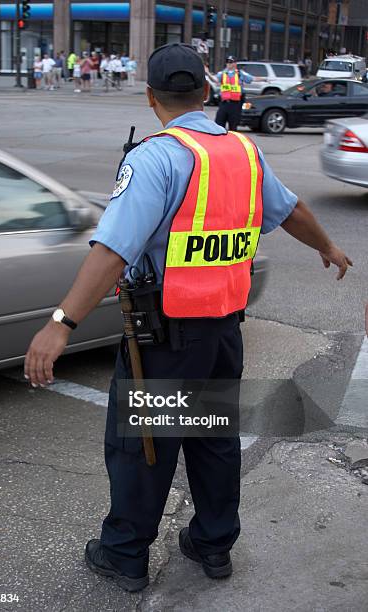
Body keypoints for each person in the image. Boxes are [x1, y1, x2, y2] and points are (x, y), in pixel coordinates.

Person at [24, 43, 352, 593]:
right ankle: (212, 544)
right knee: (212, 440)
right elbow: (291, 210)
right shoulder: (245, 153)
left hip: (164, 338)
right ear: (207, 91)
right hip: (223, 332)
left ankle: (124, 555)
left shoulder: (155, 157)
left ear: (151, 97)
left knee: (143, 448)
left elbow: (111, 251)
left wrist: (60, 323)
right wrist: (329, 247)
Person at [209, 55, 266, 131]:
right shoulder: (222, 73)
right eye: (227, 62)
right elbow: (215, 80)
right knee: (218, 125)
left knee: (233, 127)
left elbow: (252, 78)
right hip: (224, 104)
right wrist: (207, 73)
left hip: (235, 105)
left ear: (235, 64)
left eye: (231, 62)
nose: (229, 64)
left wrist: (264, 79)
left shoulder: (240, 73)